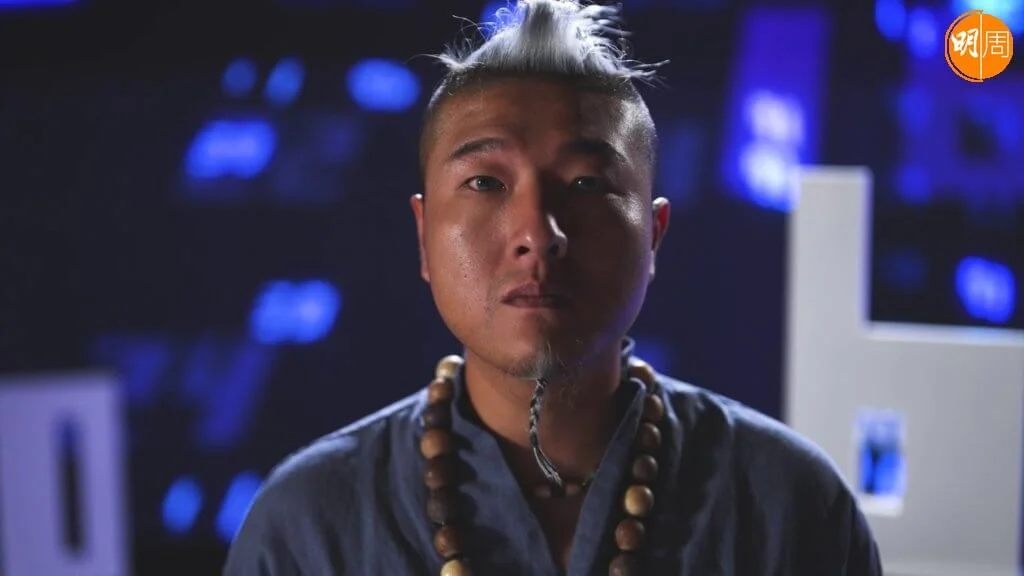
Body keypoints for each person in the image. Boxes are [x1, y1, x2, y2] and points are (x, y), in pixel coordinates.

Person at [224, 1, 882, 574]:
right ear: (424, 235)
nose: (538, 233)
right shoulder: (308, 524)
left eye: (587, 184)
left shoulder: (787, 504)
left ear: (654, 237)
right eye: (486, 183)